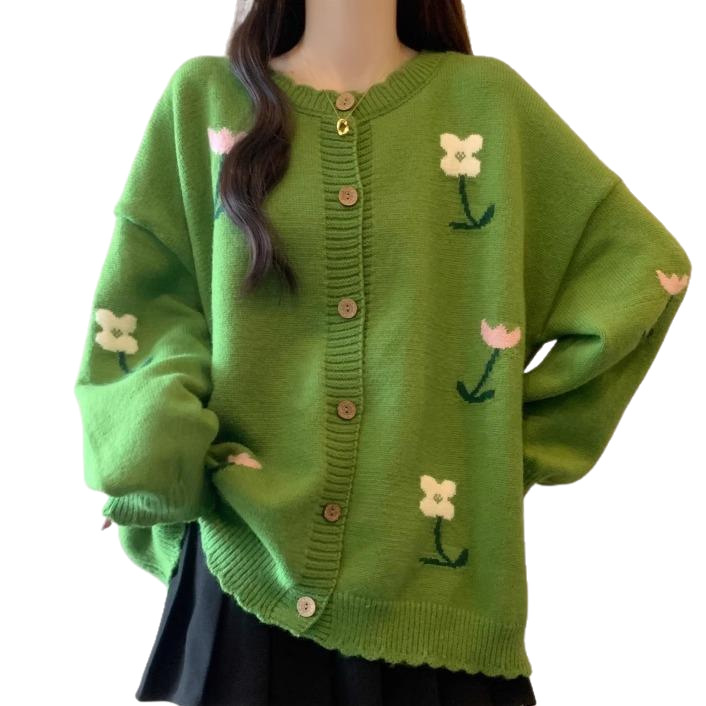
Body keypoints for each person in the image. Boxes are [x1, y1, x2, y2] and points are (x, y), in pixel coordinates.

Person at [72, 0, 692, 704]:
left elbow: (645, 273)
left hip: (437, 603)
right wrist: (153, 453)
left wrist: (504, 448)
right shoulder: (207, 100)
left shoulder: (486, 105)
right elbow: (148, 310)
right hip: (245, 576)